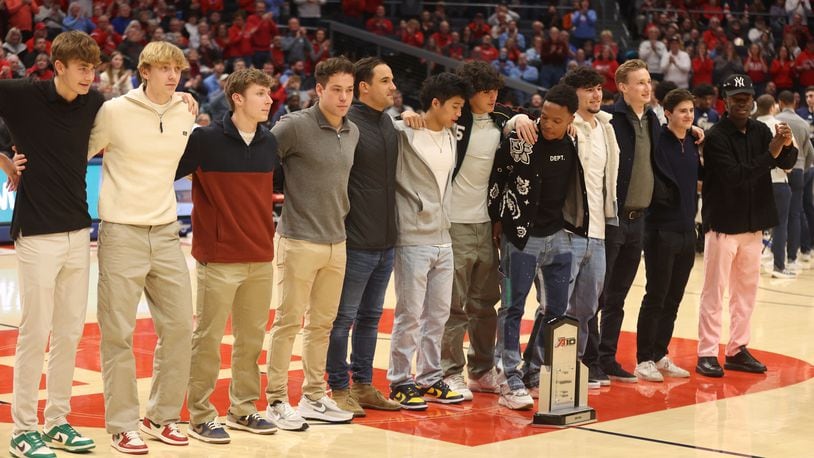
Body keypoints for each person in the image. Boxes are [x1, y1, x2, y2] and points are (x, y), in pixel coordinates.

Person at [87, 41, 197, 454]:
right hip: (121, 232)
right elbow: (76, 153)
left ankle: (161, 416)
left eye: (178, 69)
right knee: (118, 333)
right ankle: (121, 425)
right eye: (164, 68)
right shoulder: (114, 112)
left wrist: (183, 99)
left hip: (167, 231)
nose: (172, 76)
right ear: (144, 70)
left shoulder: (186, 108)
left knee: (181, 327)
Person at [0, 30, 101, 458]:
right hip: (37, 232)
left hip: (79, 232)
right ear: (58, 66)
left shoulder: (95, 103)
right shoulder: (23, 95)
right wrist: (5, 155)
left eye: (93, 69)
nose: (89, 77)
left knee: (69, 333)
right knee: (34, 331)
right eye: (82, 68)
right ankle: (24, 429)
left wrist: (185, 100)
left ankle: (57, 420)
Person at [176, 68, 279, 444]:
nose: (269, 100)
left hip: (260, 255)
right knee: (207, 339)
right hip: (217, 258)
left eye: (269, 94)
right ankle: (201, 415)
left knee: (251, 340)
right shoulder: (204, 140)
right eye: (260, 94)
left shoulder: (270, 143)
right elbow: (166, 171)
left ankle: (243, 408)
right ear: (237, 97)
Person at [264, 57, 358, 430]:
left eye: (349, 90)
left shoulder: (352, 131)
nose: (343, 97)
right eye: (336, 89)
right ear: (319, 90)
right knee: (287, 323)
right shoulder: (294, 127)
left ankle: (314, 396)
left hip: (338, 241)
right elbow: (262, 162)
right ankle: (274, 400)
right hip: (299, 238)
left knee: (322, 325)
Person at [488, 84, 582, 409]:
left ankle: (532, 368)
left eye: (557, 120)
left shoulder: (575, 140)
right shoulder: (521, 137)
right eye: (544, 117)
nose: (548, 124)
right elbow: (498, 178)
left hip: (561, 237)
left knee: (557, 310)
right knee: (512, 307)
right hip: (521, 238)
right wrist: (496, 220)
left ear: (571, 119)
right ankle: (508, 376)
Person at [697, 74, 797, 378]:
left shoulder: (760, 130)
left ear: (753, 100)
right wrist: (772, 152)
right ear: (724, 101)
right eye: (736, 97)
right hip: (723, 226)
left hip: (754, 226)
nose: (742, 102)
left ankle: (737, 349)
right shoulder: (716, 137)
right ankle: (707, 352)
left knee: (746, 293)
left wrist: (788, 144)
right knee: (714, 292)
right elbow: (735, 176)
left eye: (746, 97)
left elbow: (786, 162)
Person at [387, 72, 470, 411]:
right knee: (409, 313)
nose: (459, 113)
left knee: (437, 314)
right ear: (435, 103)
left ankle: (430, 377)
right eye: (454, 106)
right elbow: (379, 127)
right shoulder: (404, 132)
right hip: (412, 236)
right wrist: (400, 116)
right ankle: (400, 381)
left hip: (443, 236)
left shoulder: (452, 134)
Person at [325, 57, 402, 417]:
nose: (393, 86)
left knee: (371, 318)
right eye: (385, 80)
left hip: (386, 240)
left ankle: (363, 385)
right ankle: (338, 388)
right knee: (343, 319)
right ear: (364, 87)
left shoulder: (387, 122)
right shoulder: (348, 122)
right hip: (355, 240)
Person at [584, 59, 661, 385]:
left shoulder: (653, 122)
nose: (647, 87)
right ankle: (589, 361)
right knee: (598, 296)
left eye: (648, 81)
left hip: (639, 220)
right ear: (624, 87)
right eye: (640, 82)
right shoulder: (609, 120)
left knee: (618, 297)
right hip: (612, 219)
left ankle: (607, 357)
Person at [634, 88, 700, 382]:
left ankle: (660, 353)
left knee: (674, 298)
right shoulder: (657, 138)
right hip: (661, 229)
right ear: (668, 113)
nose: (688, 116)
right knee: (656, 295)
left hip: (687, 230)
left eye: (691, 111)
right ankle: (644, 358)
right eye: (682, 111)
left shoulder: (694, 142)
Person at [775, 90, 814, 272]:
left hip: (780, 172)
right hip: (799, 170)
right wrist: (803, 170)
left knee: (779, 216)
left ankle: (777, 256)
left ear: (781, 102)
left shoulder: (776, 120)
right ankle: (792, 258)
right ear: (795, 103)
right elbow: (810, 153)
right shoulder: (804, 123)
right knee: (796, 214)